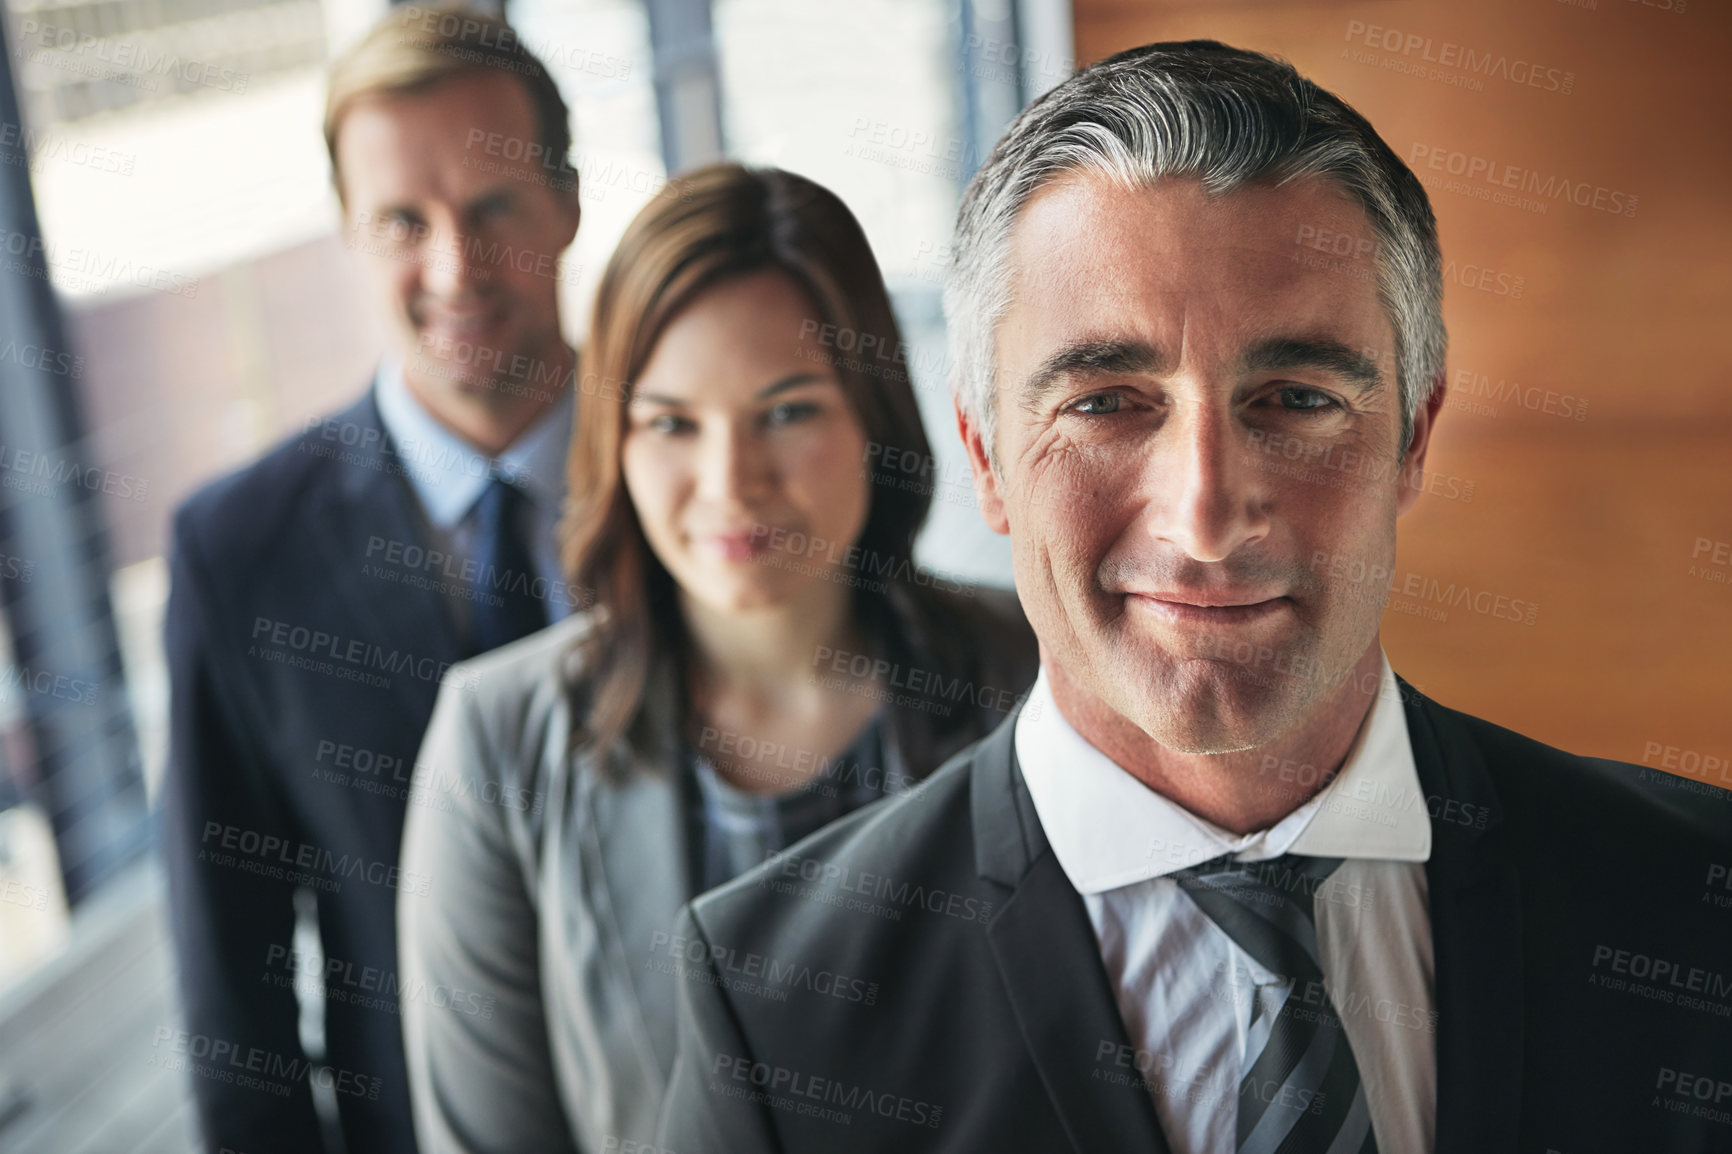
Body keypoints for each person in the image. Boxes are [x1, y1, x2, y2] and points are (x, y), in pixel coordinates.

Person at [655, 41, 1732, 1154]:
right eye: (1108, 401)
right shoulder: (779, 1010)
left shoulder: (1698, 903)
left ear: (1412, 436)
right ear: (985, 457)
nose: (1205, 515)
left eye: (1297, 397)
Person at [397, 162, 1038, 1154]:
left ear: (873, 413)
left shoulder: (1037, 677)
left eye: (786, 410)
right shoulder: (495, 742)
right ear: (613, 437)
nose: (729, 482)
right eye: (671, 423)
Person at [159, 8, 584, 1152]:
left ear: (568, 201)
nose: (455, 265)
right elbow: (232, 990)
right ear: (349, 234)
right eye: (403, 219)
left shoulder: (710, 485)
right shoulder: (238, 553)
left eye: (493, 205)